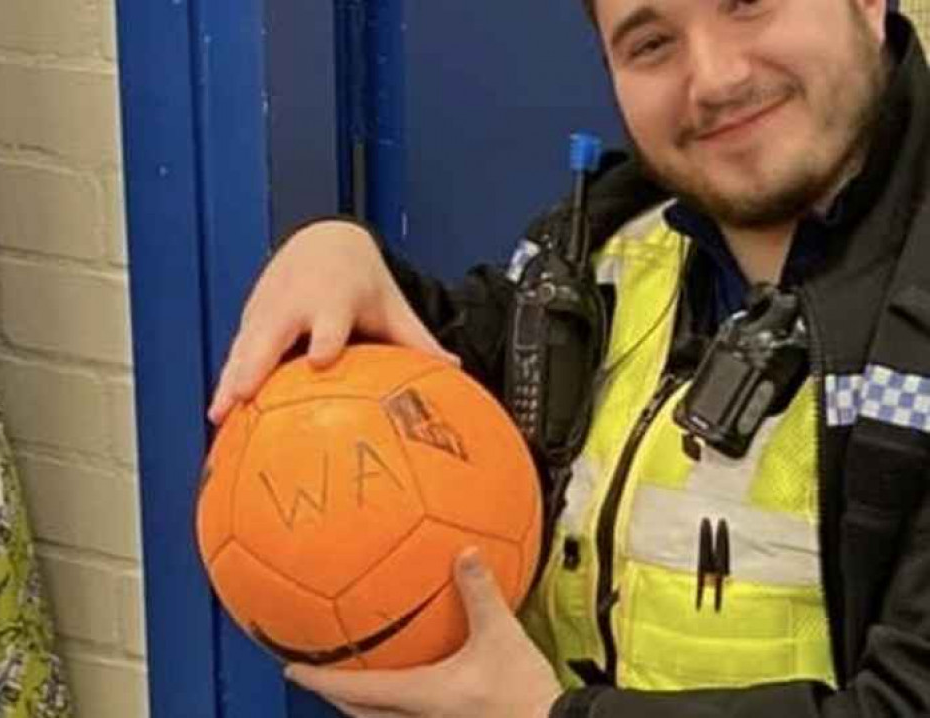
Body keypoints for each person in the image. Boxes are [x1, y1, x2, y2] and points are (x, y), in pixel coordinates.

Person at [210, 0, 930, 715]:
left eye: (744, 4)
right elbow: (454, 354)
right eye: (650, 44)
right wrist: (337, 251)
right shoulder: (606, 250)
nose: (713, 78)